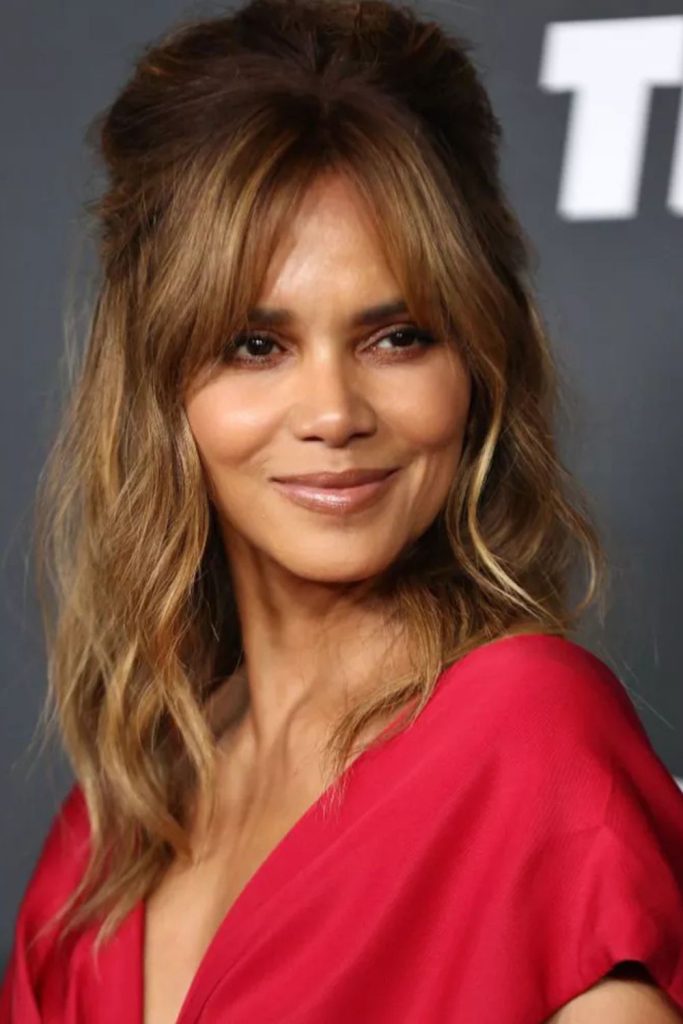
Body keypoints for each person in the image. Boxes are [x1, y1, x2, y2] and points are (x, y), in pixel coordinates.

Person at [2, 0, 683, 1021]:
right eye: (254, 344)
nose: (331, 413)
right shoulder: (105, 839)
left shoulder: (528, 743)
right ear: (159, 384)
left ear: (476, 363)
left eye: (397, 335)